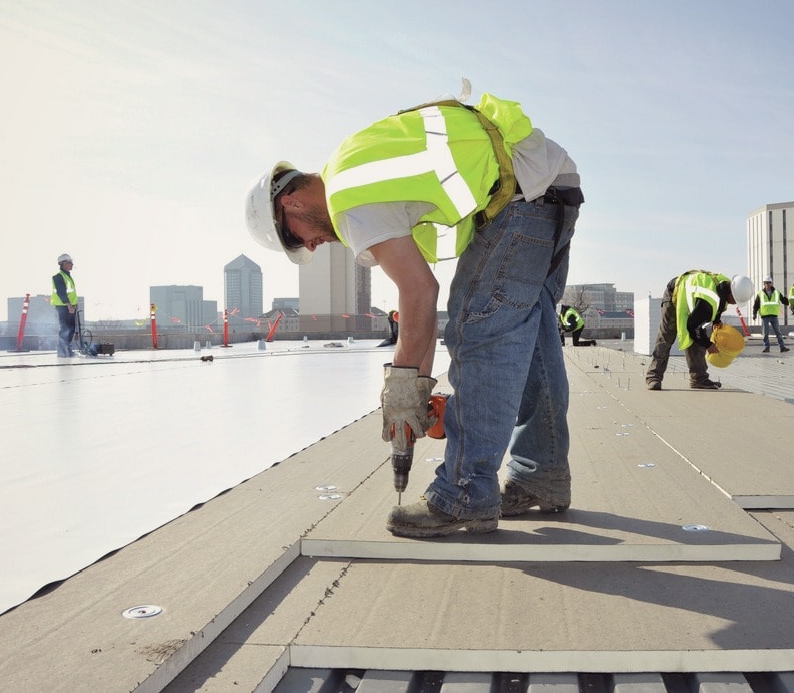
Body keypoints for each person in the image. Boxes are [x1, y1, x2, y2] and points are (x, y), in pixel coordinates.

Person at [245, 90, 582, 538]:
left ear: (289, 204)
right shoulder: (356, 162)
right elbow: (417, 306)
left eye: (295, 239)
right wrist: (415, 390)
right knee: (534, 341)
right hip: (552, 184)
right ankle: (541, 474)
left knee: (480, 334)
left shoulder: (348, 200)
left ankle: (464, 495)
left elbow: (419, 292)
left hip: (519, 198)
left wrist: (403, 392)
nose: (308, 246)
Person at [645, 271, 755, 391]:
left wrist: (716, 321)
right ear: (731, 294)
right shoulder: (707, 301)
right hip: (674, 294)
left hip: (694, 301)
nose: (735, 304)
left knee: (698, 338)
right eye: (736, 301)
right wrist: (708, 344)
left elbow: (718, 306)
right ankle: (653, 377)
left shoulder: (725, 286)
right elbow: (692, 327)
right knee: (667, 337)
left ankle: (699, 379)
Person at [752, 276, 790, 353]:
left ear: (771, 283)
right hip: (765, 316)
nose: (768, 284)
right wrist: (754, 313)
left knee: (778, 332)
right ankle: (766, 347)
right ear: (764, 284)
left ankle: (782, 347)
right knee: (765, 333)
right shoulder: (760, 293)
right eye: (766, 283)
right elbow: (756, 304)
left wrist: (791, 302)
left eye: (769, 283)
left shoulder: (777, 292)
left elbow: (783, 300)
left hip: (774, 315)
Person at [51, 254, 78, 357]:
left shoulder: (67, 276)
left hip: (70, 306)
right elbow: (61, 292)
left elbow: (71, 293)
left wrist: (75, 304)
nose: (72, 264)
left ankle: (67, 348)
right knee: (65, 328)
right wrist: (69, 305)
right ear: (63, 264)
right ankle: (62, 350)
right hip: (63, 306)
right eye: (70, 262)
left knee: (71, 328)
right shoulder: (58, 277)